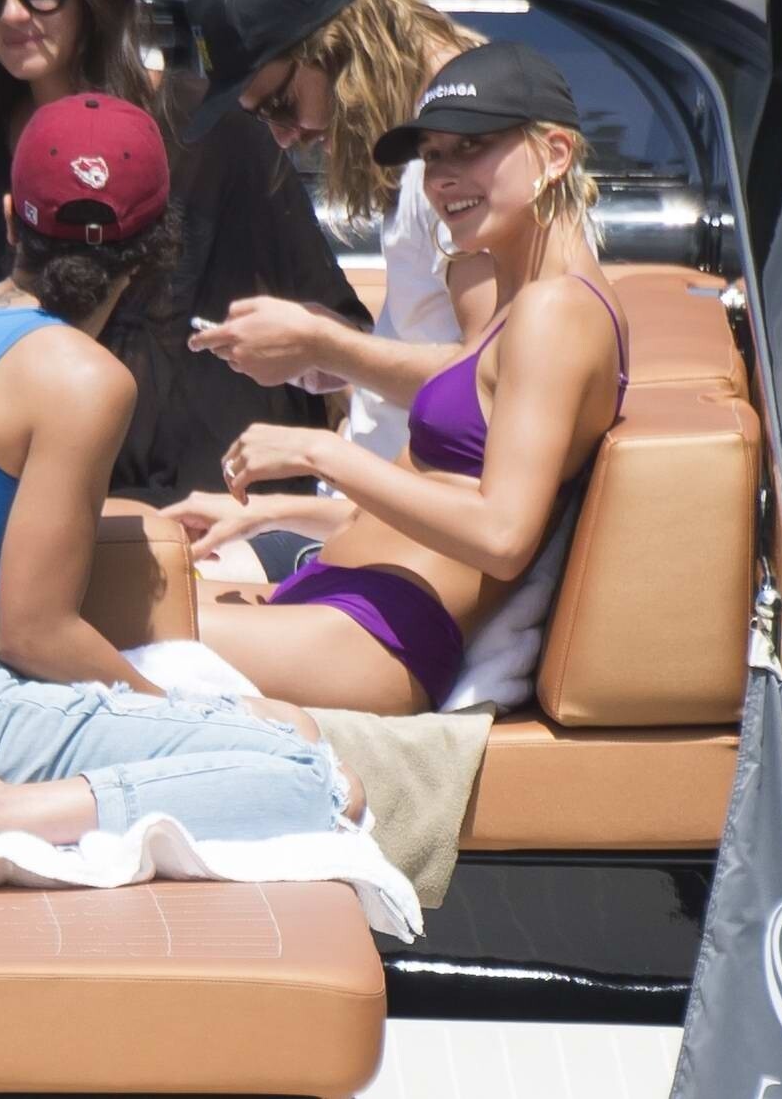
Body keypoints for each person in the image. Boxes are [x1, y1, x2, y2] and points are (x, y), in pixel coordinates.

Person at [0, 92, 361, 858]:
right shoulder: (84, 378)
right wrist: (168, 711)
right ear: (158, 248)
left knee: (285, 726)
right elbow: (33, 633)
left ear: (10, 221)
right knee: (315, 775)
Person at [175, 42, 628, 717]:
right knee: (104, 582)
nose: (442, 177)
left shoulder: (556, 310)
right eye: (433, 155)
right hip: (345, 602)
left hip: (376, 637)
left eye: (471, 147)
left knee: (77, 618)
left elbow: (502, 538)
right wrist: (270, 512)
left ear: (556, 153)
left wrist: (320, 453)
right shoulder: (519, 303)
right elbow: (444, 499)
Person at [0, 0, 370, 504]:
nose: (12, 13)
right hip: (36, 508)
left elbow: (336, 343)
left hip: (219, 514)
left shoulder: (212, 133)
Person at [166, 0, 496, 578]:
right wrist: (334, 354)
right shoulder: (431, 153)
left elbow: (493, 384)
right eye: (264, 117)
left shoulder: (459, 166)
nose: (284, 137)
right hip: (369, 527)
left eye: (281, 104)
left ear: (337, 44)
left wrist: (327, 348)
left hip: (410, 558)